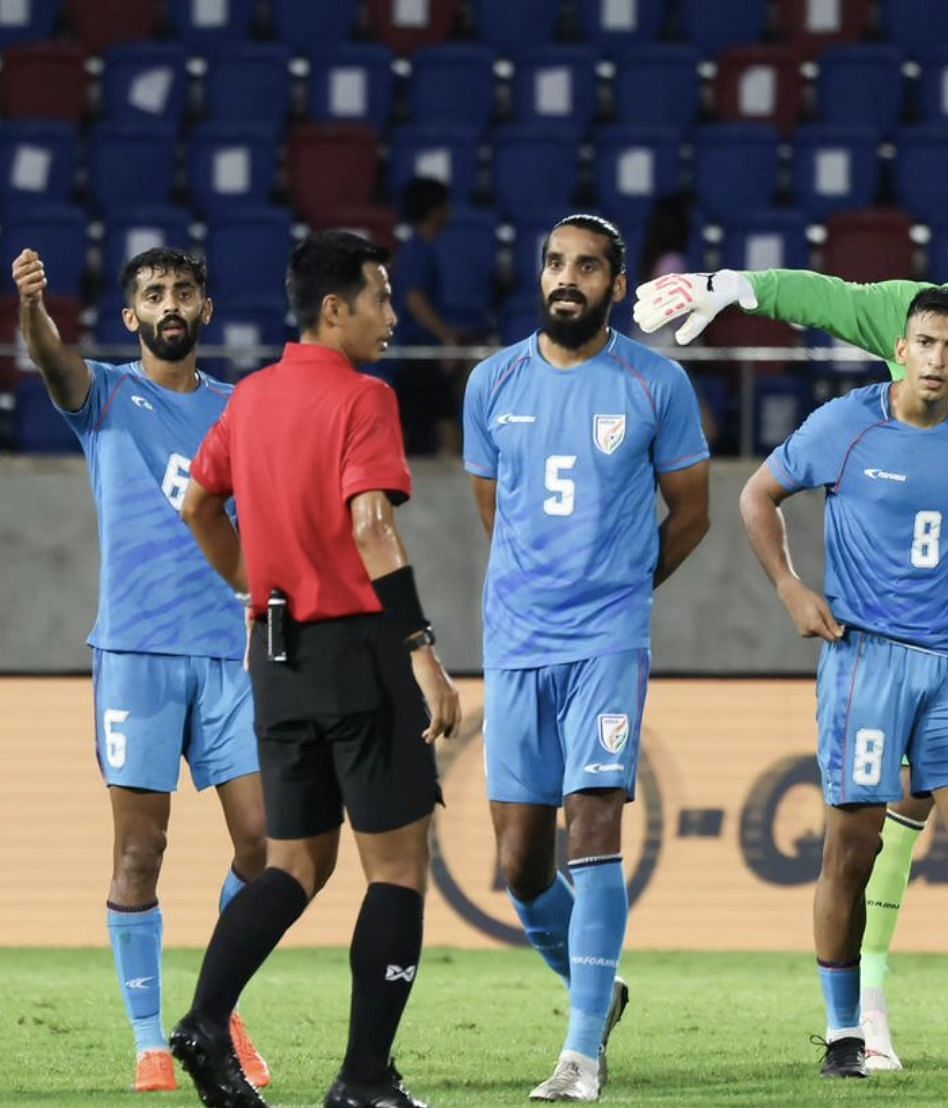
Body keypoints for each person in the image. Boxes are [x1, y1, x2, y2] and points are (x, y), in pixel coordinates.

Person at [635, 167, 948, 1074]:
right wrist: (733, 286)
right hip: (906, 630)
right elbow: (826, 299)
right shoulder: (906, 329)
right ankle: (865, 1015)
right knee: (885, 821)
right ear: (907, 346)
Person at [169, 230, 459, 1108]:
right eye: (378, 298)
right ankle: (365, 1078)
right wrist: (423, 653)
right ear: (334, 310)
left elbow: (197, 502)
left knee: (291, 865)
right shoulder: (363, 398)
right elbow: (372, 526)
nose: (389, 316)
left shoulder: (251, 397)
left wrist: (253, 585)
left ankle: (205, 1021)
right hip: (355, 649)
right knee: (398, 871)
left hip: (276, 652)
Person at [739, 288, 948, 1079]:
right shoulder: (844, 424)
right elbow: (756, 494)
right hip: (867, 660)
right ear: (901, 349)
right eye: (924, 343)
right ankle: (843, 1033)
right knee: (851, 848)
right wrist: (793, 587)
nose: (936, 359)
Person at [10, 246, 271, 1095]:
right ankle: (150, 1039)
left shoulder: (241, 411)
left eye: (184, 290)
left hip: (229, 653)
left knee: (267, 844)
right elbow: (49, 358)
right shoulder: (106, 395)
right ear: (130, 317)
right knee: (140, 851)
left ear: (203, 308)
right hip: (135, 657)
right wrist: (35, 309)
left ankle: (217, 1004)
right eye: (153, 292)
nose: (169, 301)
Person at [463, 213, 710, 1102]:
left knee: (593, 831)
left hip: (607, 641)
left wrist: (625, 589)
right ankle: (600, 994)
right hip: (517, 642)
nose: (569, 278)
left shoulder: (656, 383)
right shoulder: (492, 383)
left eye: (588, 267)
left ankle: (580, 1054)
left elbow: (691, 510)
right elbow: (498, 509)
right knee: (522, 863)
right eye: (556, 262)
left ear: (616, 281)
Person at [392, 176, 463, 455]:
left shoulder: (420, 248)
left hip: (421, 350)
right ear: (435, 210)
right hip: (418, 352)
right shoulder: (416, 251)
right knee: (439, 418)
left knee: (425, 422)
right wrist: (446, 336)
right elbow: (414, 299)